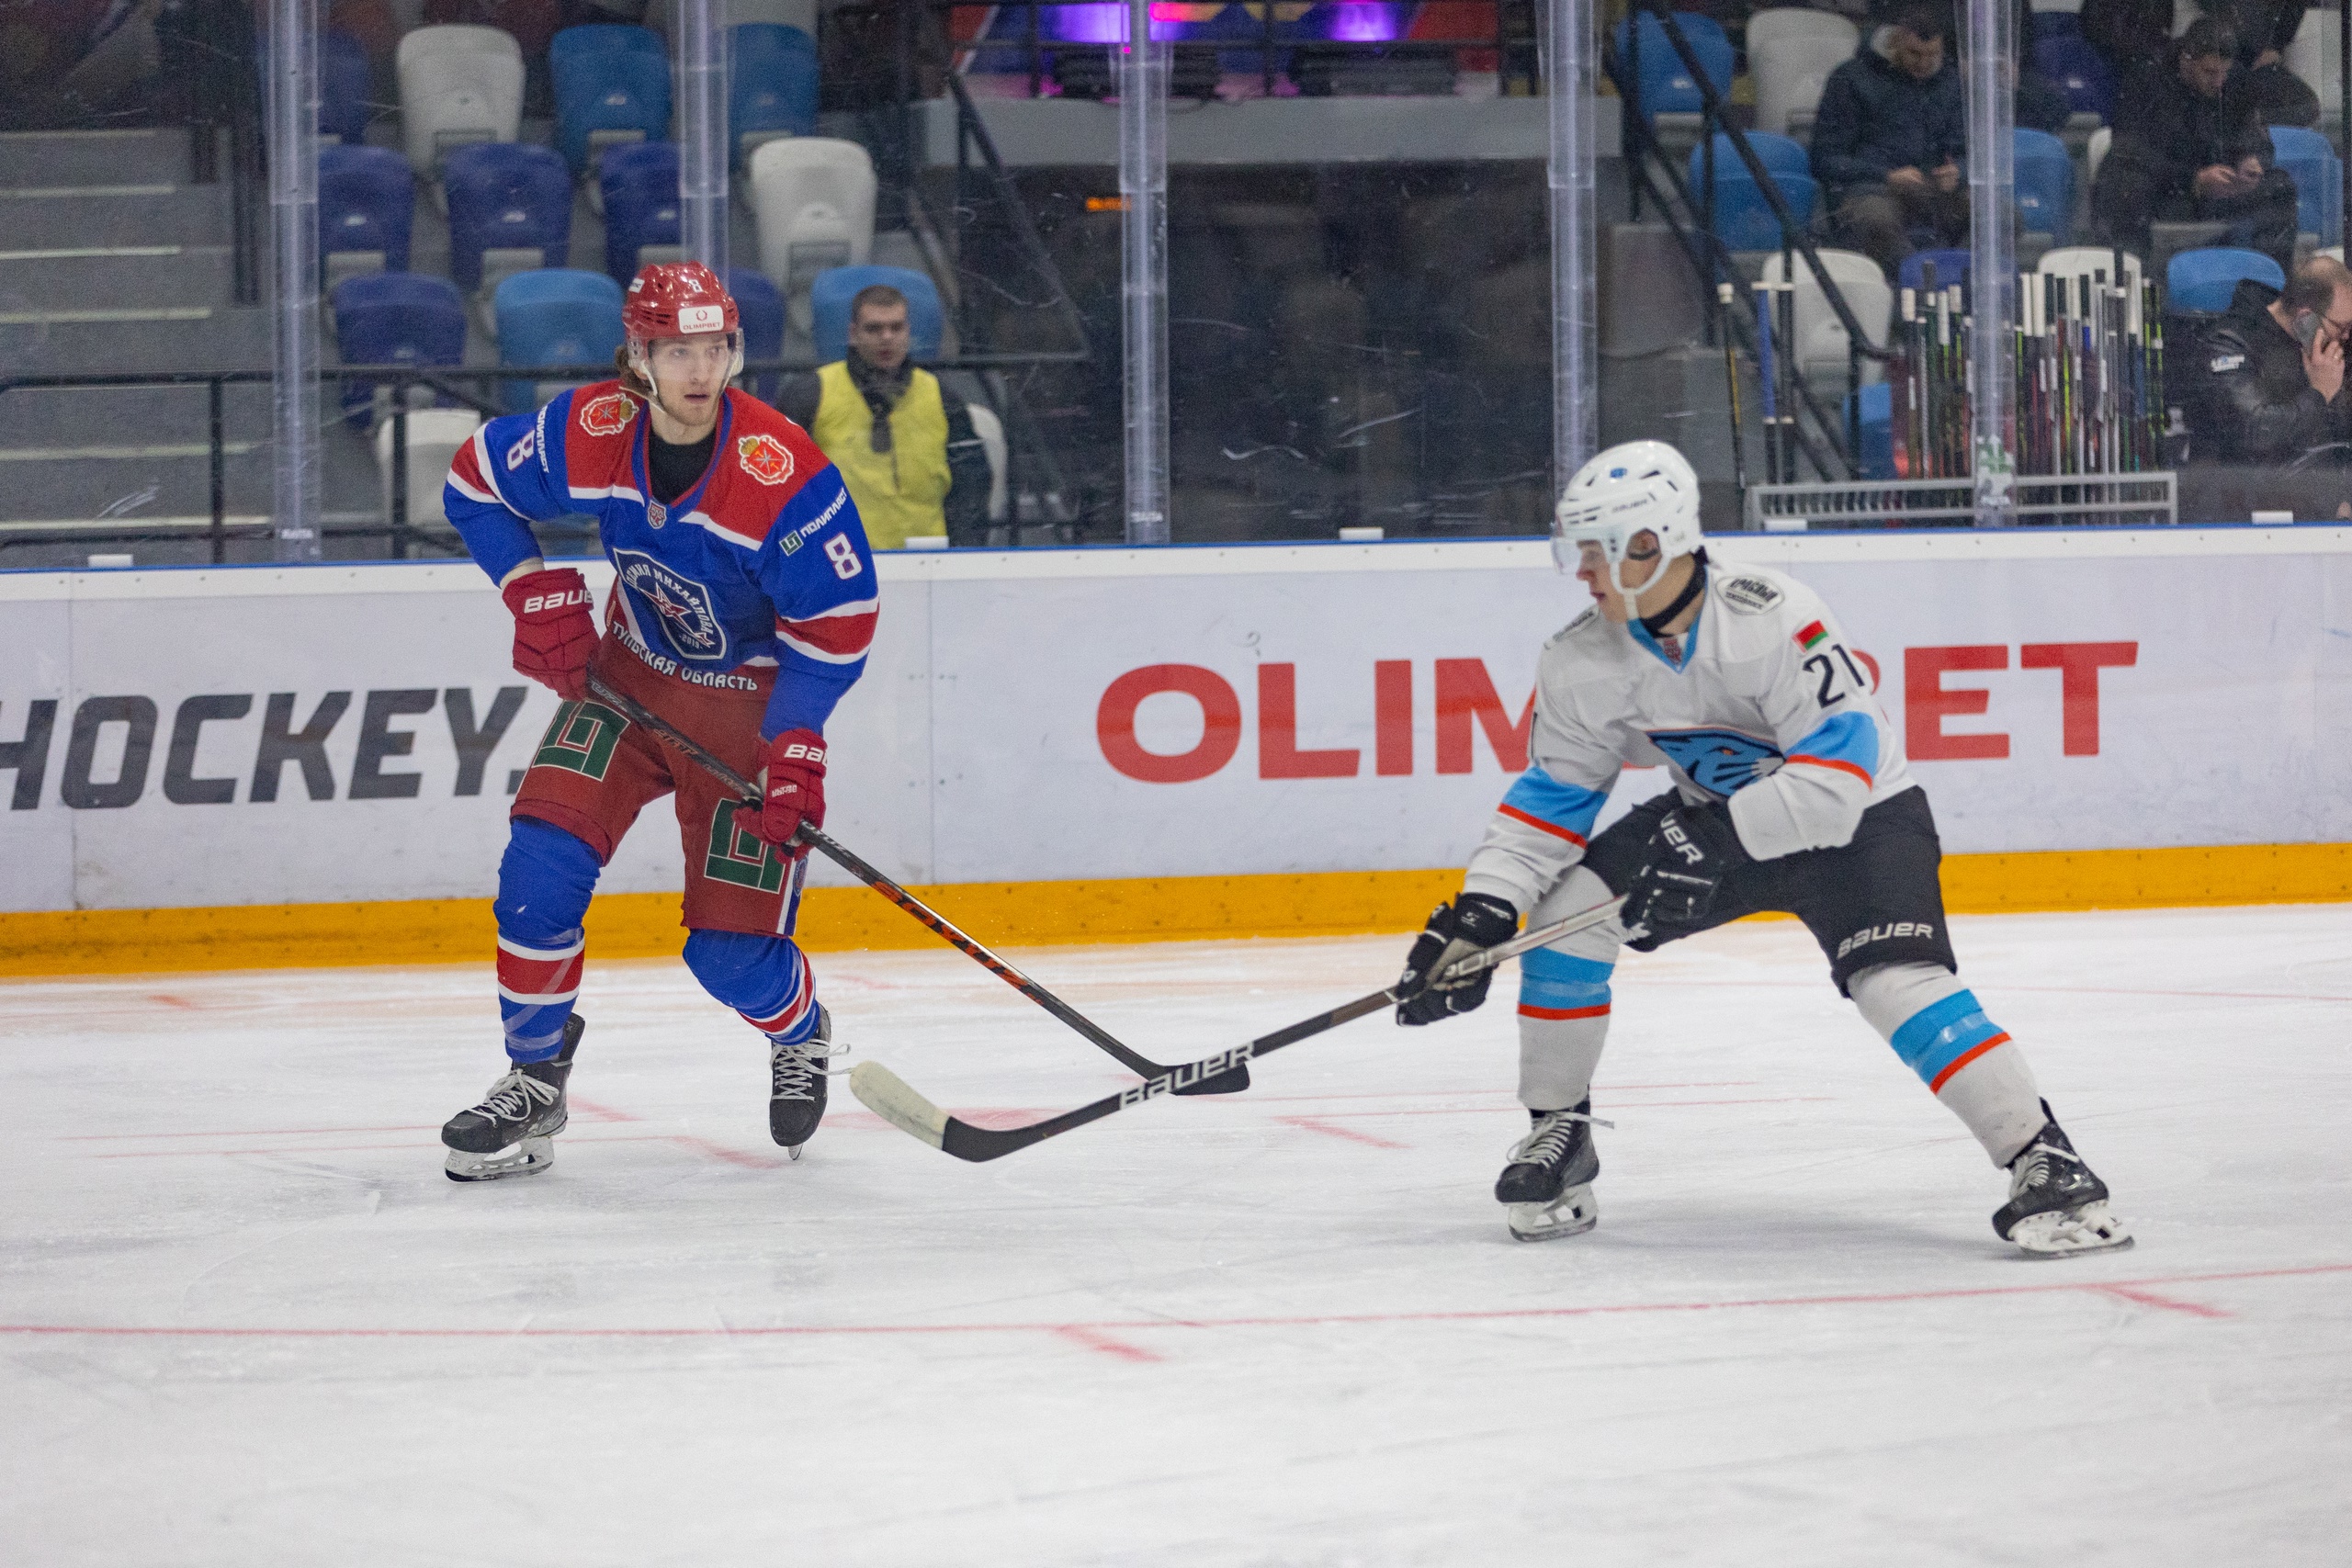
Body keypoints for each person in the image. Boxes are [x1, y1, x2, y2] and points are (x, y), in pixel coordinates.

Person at [1392, 440, 2132, 1258]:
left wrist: (1713, 838)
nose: (1583, 572)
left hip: (1860, 823)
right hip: (1712, 821)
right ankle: (1559, 1131)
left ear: (1653, 544)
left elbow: (1841, 771)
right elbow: (1552, 798)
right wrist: (1483, 912)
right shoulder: (1578, 657)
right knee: (1568, 918)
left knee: (1895, 981)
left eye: (1598, 551)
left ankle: (2045, 1156)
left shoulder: (1773, 614)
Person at [435, 261, 878, 1181]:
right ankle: (534, 1078)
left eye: (716, 348)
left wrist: (798, 742)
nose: (699, 370)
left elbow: (839, 624)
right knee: (536, 874)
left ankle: (799, 1027)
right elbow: (473, 482)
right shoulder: (595, 428)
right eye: (676, 350)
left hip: (747, 714)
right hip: (626, 681)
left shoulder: (783, 475)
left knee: (730, 958)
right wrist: (526, 588)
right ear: (637, 357)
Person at [776, 284, 993, 550]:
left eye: (896, 327)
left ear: (908, 332)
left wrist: (961, 552)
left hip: (928, 561)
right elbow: (776, 487)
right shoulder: (810, 395)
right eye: (874, 329)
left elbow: (972, 484)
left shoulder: (942, 398)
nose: (887, 337)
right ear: (853, 333)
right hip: (839, 563)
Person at [2091, 18, 2301, 271]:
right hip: (2165, 193)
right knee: (2124, 182)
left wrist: (2251, 159)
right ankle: (2129, 275)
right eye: (2210, 72)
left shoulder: (2235, 82)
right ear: (2186, 59)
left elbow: (2254, 133)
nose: (2219, 82)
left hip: (2222, 191)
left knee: (2279, 187)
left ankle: (2271, 279)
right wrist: (2193, 180)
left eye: (2224, 72)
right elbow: (2131, 152)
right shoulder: (2146, 81)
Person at [2181, 253, 2352, 517]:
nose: (2345, 337)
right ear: (2306, 316)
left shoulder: (2322, 352)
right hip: (2241, 517)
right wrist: (2319, 394)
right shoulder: (2229, 344)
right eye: (2341, 327)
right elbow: (2255, 433)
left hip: (2318, 511)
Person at [1808, 0, 1971, 276]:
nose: (1924, 64)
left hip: (1933, 189)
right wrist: (1886, 176)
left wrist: (1959, 171)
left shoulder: (1951, 82)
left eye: (1933, 55)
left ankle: (1960, 280)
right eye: (1914, 54)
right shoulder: (1850, 79)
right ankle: (1918, 284)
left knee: (2001, 216)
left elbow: (1968, 150)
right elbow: (1825, 159)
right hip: (1871, 189)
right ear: (1893, 41)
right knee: (1875, 218)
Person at [2082, 0, 2317, 128]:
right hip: (2160, 69)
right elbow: (2102, 26)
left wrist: (2273, 44)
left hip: (2234, 64)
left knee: (2300, 103)